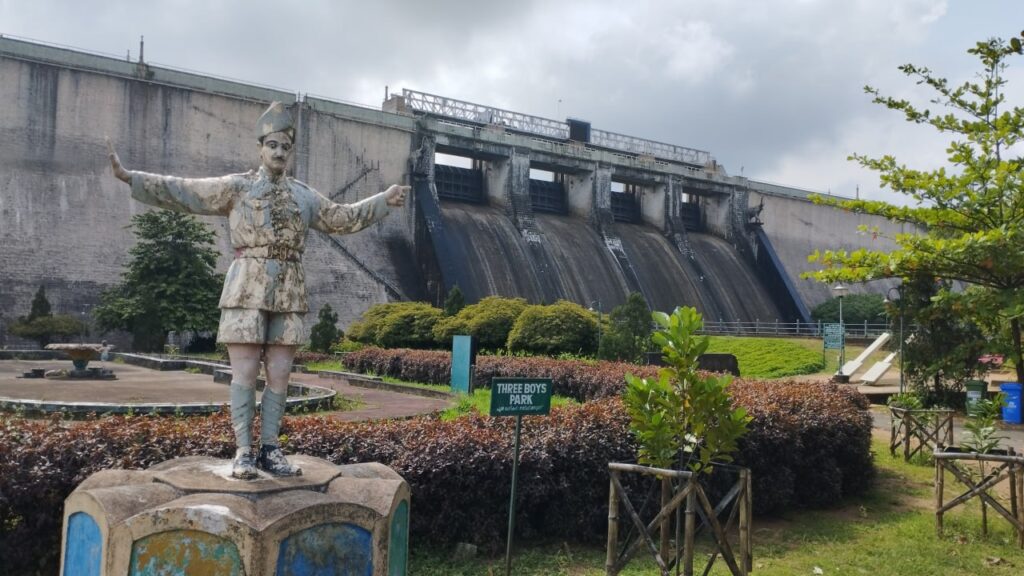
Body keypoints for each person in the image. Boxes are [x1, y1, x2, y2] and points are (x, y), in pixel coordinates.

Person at [107, 102, 408, 479]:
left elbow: (342, 218)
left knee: (280, 374)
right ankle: (243, 451)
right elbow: (186, 192)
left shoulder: (304, 196)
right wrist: (130, 178)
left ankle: (271, 448)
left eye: (285, 146)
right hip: (246, 284)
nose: (279, 152)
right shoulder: (238, 187)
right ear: (260, 148)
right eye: (273, 145)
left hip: (289, 287)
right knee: (245, 372)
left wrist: (383, 200)